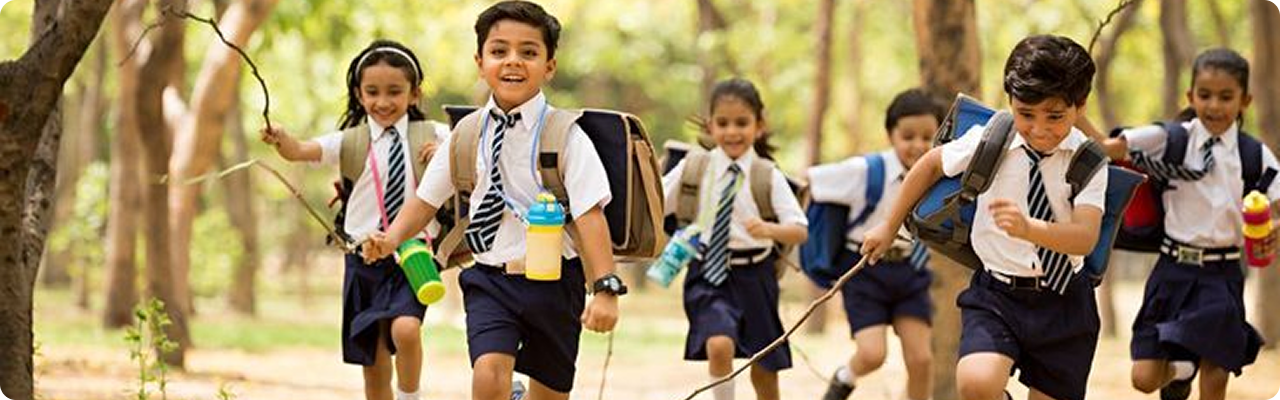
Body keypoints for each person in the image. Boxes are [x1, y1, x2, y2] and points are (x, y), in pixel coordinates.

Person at [361, 2, 624, 400]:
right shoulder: (466, 135)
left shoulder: (566, 135)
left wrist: (605, 286)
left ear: (549, 66)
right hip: (489, 278)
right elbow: (425, 200)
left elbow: (590, 215)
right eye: (499, 51)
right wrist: (391, 238)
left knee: (550, 393)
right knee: (488, 376)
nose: (513, 61)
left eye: (529, 52)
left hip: (555, 282)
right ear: (480, 61)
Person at [862, 35, 1105, 400]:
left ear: (1080, 105)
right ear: (1011, 102)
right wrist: (889, 225)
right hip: (997, 295)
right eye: (1026, 114)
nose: (1039, 129)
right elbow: (930, 165)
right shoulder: (994, 139)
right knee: (976, 383)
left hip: (1064, 301)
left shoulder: (1087, 161)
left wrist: (1029, 229)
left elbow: (1085, 236)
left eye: (1054, 117)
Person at [261, 39, 441, 400]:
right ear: (359, 94)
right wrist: (281, 139)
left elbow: (470, 157)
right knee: (372, 361)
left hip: (413, 251)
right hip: (363, 258)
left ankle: (411, 396)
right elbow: (300, 151)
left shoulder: (433, 135)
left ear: (415, 93)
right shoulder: (350, 141)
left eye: (395, 91)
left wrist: (446, 155)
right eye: (372, 92)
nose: (383, 101)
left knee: (406, 330)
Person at [662, 77, 808, 400]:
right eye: (723, 123)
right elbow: (656, 202)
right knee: (719, 344)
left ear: (759, 126)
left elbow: (799, 228)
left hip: (756, 276)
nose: (732, 132)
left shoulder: (766, 174)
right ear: (711, 126)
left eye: (742, 123)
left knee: (765, 367)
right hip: (707, 274)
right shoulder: (695, 166)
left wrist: (769, 230)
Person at [809, 88, 945, 400]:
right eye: (908, 136)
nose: (918, 145)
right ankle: (845, 378)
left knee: (922, 360)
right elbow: (812, 181)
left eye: (927, 136)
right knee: (872, 354)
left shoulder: (940, 173)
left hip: (910, 271)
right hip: (864, 270)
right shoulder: (866, 171)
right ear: (890, 134)